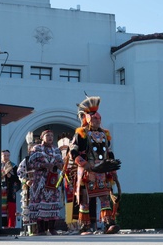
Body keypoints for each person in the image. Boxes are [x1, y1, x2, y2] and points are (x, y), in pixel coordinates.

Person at [70, 96, 121, 234]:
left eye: (98, 119)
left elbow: (109, 153)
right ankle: (84, 226)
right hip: (87, 170)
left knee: (105, 197)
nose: (97, 121)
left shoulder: (105, 134)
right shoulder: (81, 133)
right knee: (85, 199)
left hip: (103, 170)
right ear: (87, 119)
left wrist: (114, 172)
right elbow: (73, 152)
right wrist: (84, 164)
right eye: (94, 119)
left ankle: (108, 224)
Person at [23, 129, 65, 235]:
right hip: (40, 180)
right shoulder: (36, 149)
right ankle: (41, 229)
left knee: (53, 203)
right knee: (40, 203)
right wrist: (44, 165)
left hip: (52, 180)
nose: (50, 137)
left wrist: (60, 166)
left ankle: (52, 228)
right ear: (42, 137)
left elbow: (61, 162)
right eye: (47, 135)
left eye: (51, 135)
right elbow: (30, 165)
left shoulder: (56, 149)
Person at [0, 149, 20, 229]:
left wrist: (10, 176)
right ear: (1, 156)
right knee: (1, 209)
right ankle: (1, 226)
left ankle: (10, 227)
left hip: (10, 190)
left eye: (8, 155)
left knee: (11, 209)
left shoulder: (14, 166)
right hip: (0, 190)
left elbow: (18, 179)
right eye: (4, 155)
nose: (6, 157)